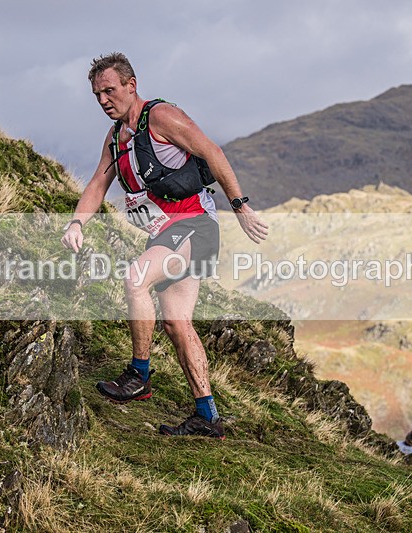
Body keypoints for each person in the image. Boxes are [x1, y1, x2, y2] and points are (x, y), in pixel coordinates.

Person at [61, 52, 268, 438]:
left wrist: (240, 205)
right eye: (97, 95)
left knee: (136, 279)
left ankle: (139, 376)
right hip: (168, 234)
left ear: (130, 85)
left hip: (196, 225)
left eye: (110, 90)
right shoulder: (115, 139)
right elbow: (96, 186)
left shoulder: (161, 116)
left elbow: (213, 152)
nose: (104, 100)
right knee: (176, 322)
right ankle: (207, 416)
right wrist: (77, 223)